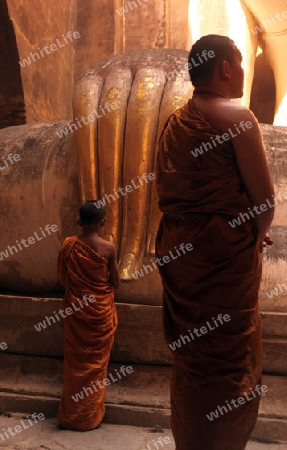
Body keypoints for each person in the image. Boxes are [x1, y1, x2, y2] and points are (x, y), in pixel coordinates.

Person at [155, 34, 274, 450]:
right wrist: (257, 237)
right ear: (225, 67)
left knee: (193, 362)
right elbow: (265, 203)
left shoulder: (174, 123)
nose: (242, 72)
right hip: (226, 265)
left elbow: (173, 203)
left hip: (184, 263)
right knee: (227, 365)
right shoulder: (237, 118)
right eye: (240, 64)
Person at [57, 200, 120, 431]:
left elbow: (63, 279)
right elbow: (116, 282)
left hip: (77, 314)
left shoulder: (69, 246)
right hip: (100, 315)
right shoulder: (109, 248)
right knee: (95, 366)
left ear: (78, 221)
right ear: (103, 222)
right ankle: (89, 416)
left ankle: (72, 415)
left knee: (75, 364)